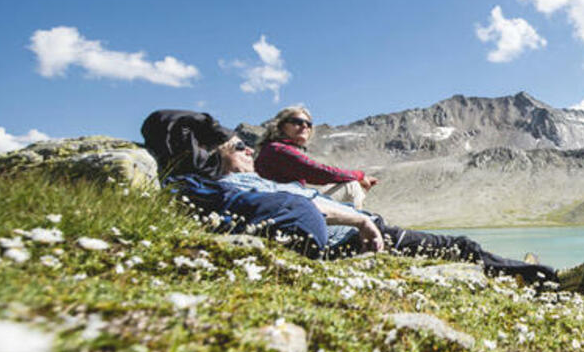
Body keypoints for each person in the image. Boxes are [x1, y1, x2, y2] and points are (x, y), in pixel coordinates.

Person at [216, 136, 558, 283]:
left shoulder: (254, 180)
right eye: (240, 147)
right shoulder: (241, 183)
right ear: (219, 157)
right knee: (463, 248)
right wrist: (361, 221)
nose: (250, 151)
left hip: (352, 233)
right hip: (353, 237)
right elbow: (299, 205)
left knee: (455, 250)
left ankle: (517, 270)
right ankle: (543, 276)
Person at [255, 106, 378, 209]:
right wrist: (360, 175)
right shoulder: (278, 149)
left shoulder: (275, 148)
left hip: (288, 202)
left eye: (308, 124)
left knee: (352, 185)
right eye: (297, 122)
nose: (304, 126)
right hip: (285, 206)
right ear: (282, 126)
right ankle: (358, 232)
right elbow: (319, 172)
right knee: (351, 186)